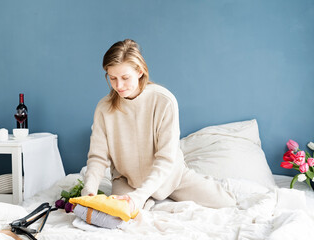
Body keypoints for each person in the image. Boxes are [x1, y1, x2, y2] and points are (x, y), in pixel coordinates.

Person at [81, 39, 236, 213]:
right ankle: (148, 199)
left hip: (170, 178)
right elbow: (98, 157)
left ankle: (157, 195)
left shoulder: (164, 101)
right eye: (112, 78)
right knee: (119, 217)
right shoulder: (104, 108)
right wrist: (89, 190)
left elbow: (165, 159)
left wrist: (140, 196)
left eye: (125, 78)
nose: (119, 86)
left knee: (227, 203)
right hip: (127, 180)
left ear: (139, 72)